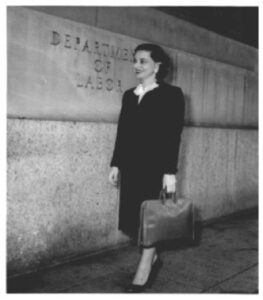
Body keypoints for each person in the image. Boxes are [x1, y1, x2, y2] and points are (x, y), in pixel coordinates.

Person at [109, 43, 185, 292]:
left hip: (155, 166)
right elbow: (123, 132)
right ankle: (151, 255)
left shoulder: (172, 94)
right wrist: (116, 164)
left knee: (151, 217)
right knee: (134, 218)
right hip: (131, 166)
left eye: (143, 61)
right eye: (135, 60)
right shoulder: (129, 95)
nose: (136, 66)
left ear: (158, 65)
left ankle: (144, 267)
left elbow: (172, 135)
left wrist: (169, 172)